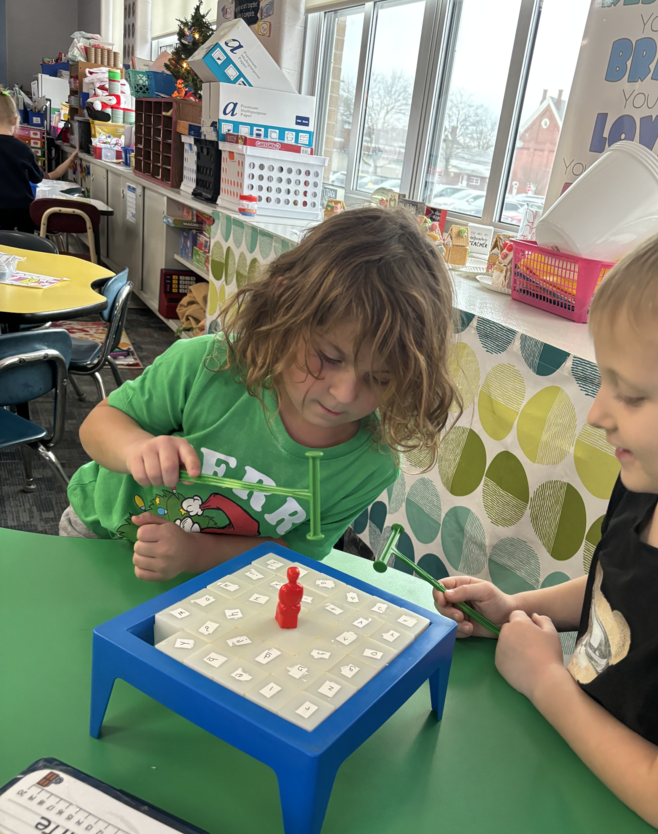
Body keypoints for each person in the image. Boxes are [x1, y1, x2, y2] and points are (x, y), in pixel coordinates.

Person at [434, 204, 658, 834]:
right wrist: (515, 607)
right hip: (582, 791)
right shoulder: (656, 481)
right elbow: (623, 586)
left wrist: (544, 681)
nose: (597, 414)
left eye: (633, 395)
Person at [63, 206, 459, 581]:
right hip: (100, 535)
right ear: (285, 307)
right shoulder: (208, 364)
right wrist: (135, 448)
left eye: (381, 379)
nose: (343, 394)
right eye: (327, 357)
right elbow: (98, 425)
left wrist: (194, 553)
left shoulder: (371, 465)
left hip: (217, 577)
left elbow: (294, 552)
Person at [0, 88, 79, 232]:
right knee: (24, 246)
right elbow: (37, 178)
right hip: (21, 211)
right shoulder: (22, 148)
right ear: (15, 120)